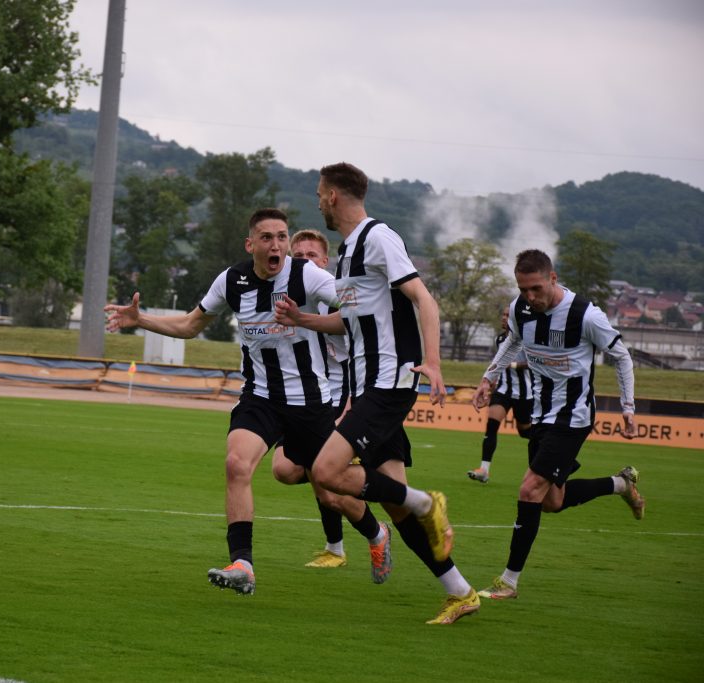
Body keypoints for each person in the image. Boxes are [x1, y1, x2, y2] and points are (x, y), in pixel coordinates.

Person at [105, 208, 382, 596]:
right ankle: (242, 564)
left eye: (282, 237)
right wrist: (142, 319)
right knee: (236, 463)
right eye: (267, 237)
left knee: (330, 489)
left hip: (310, 401)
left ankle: (377, 531)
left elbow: (356, 311)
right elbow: (191, 324)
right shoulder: (231, 280)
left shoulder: (307, 275)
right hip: (260, 397)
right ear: (251, 245)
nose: (276, 245)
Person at [275, 162, 478, 624]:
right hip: (367, 384)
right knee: (393, 503)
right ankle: (460, 592)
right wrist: (303, 319)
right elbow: (349, 323)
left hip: (388, 383)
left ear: (332, 196)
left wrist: (433, 362)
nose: (318, 202)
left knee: (326, 471)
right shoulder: (348, 252)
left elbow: (424, 299)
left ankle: (427, 502)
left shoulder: (378, 237)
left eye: (319, 194)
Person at [471, 249, 644, 601]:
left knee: (529, 490)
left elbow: (621, 356)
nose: (530, 297)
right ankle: (621, 484)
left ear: (553, 278)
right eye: (523, 289)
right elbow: (512, 342)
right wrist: (488, 378)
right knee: (551, 501)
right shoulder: (520, 309)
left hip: (573, 416)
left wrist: (627, 407)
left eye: (536, 288)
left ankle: (508, 581)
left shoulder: (585, 315)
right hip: (541, 415)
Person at [271, 228, 393, 583]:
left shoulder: (337, 298)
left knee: (325, 480)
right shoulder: (284, 297)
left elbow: (360, 350)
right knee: (285, 469)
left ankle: (364, 538)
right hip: (301, 397)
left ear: (325, 262)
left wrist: (353, 404)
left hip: (337, 396)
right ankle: (353, 539)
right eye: (299, 256)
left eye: (312, 256)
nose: (305, 261)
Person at [466, 305, 533, 483]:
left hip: (525, 394)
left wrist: (512, 365)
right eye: (503, 315)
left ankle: (555, 451)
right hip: (503, 391)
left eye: (507, 315)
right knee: (491, 426)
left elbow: (533, 363)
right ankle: (484, 470)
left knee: (525, 432)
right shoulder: (500, 339)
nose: (504, 318)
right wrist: (489, 388)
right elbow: (497, 367)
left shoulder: (527, 340)